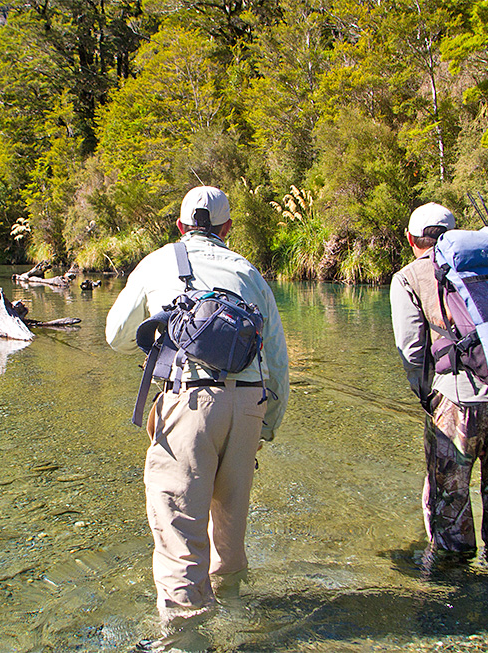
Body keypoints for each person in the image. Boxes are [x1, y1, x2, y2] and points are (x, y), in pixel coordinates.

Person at [106, 186, 289, 651]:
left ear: (181, 225)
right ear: (228, 229)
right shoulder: (248, 271)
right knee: (229, 523)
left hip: (188, 401)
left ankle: (186, 637)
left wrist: (155, 339)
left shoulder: (157, 263)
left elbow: (115, 336)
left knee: (178, 528)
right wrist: (265, 425)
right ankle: (235, 614)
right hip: (248, 404)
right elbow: (278, 361)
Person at [389, 202, 488, 562]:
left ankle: (451, 583)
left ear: (412, 239)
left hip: (460, 401)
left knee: (451, 497)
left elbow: (412, 349)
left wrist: (426, 395)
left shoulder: (410, 276)